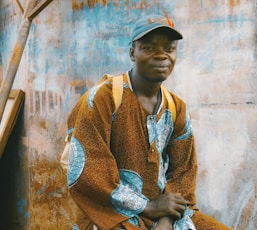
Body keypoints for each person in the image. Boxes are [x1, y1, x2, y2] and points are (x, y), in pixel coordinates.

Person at [66, 14, 231, 230]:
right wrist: (148, 207)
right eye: (149, 48)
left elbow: (182, 175)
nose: (161, 55)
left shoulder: (176, 108)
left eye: (169, 48)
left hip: (163, 213)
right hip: (112, 214)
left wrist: (166, 218)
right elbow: (91, 175)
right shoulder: (103, 99)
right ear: (132, 52)